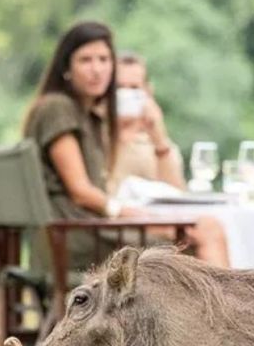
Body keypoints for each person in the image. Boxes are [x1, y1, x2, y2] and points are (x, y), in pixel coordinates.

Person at [22, 21, 228, 270]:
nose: (96, 69)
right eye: (85, 60)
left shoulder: (88, 117)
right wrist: (124, 211)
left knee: (205, 228)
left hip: (85, 230)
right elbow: (79, 190)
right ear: (66, 67)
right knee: (206, 231)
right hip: (75, 237)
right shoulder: (57, 107)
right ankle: (227, 309)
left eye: (104, 59)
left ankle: (215, 307)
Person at [108, 51, 186, 193]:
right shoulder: (93, 135)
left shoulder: (159, 145)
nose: (126, 94)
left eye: (134, 87)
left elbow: (176, 195)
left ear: (147, 91)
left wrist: (159, 139)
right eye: (119, 87)